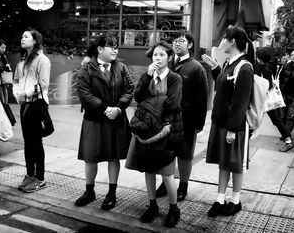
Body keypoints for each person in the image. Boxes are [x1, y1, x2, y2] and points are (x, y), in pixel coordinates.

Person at [75, 34, 134, 211]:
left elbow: (129, 89)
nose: (116, 49)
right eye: (111, 46)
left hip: (116, 119)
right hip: (94, 120)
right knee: (90, 157)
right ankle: (89, 191)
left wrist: (118, 108)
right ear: (100, 49)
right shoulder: (86, 69)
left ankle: (111, 193)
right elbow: (84, 94)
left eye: (117, 46)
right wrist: (105, 108)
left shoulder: (121, 67)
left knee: (113, 157)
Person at [201, 25, 254, 217]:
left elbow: (241, 101)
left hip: (235, 126)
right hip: (222, 123)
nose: (222, 41)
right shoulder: (230, 63)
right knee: (224, 162)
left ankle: (236, 200)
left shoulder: (244, 67)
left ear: (232, 42)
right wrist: (215, 67)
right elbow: (224, 86)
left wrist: (233, 129)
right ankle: (220, 199)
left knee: (235, 163)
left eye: (225, 38)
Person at [130, 40, 183, 227]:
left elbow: (173, 103)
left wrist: (150, 105)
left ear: (169, 58)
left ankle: (173, 207)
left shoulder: (175, 78)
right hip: (146, 131)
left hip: (166, 130)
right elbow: (137, 97)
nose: (157, 58)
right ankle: (152, 205)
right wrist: (147, 77)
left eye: (161, 55)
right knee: (148, 169)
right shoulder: (148, 76)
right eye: (155, 55)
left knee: (167, 173)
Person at [156, 30, 208, 202]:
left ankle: (183, 186)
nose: (177, 44)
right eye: (175, 41)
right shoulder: (167, 63)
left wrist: (198, 124)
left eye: (181, 41)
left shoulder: (196, 68)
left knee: (185, 155)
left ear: (190, 45)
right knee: (166, 153)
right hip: (166, 120)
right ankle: (166, 182)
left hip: (187, 121)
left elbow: (202, 99)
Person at [13, 28, 51, 192]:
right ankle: (30, 174)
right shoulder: (22, 61)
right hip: (24, 105)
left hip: (36, 104)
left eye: (26, 36)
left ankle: (40, 178)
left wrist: (25, 93)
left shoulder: (43, 60)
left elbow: (44, 84)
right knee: (28, 142)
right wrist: (17, 95)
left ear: (35, 41)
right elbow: (15, 80)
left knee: (36, 142)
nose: (22, 38)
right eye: (22, 35)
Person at [255, 47, 292, 149]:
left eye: (257, 56)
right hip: (265, 98)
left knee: (272, 119)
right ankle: (288, 139)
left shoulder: (265, 67)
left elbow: (269, 84)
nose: (256, 58)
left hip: (266, 98)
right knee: (275, 120)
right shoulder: (266, 66)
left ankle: (288, 140)